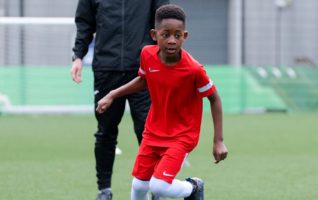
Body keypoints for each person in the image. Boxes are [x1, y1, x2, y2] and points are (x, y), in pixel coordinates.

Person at [96, 4, 228, 200]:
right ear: (154, 35)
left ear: (185, 36)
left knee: (158, 187)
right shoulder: (147, 55)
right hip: (153, 132)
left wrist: (218, 141)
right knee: (139, 185)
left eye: (177, 35)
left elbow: (214, 98)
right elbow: (143, 80)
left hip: (181, 136)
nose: (172, 40)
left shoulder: (194, 70)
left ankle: (193, 188)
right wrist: (113, 94)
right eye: (165, 34)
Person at [71, 0, 169, 199]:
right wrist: (78, 56)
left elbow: (164, 21)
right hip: (106, 69)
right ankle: (104, 190)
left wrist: (164, 58)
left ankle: (156, 189)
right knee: (105, 132)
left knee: (148, 132)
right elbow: (84, 24)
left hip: (144, 70)